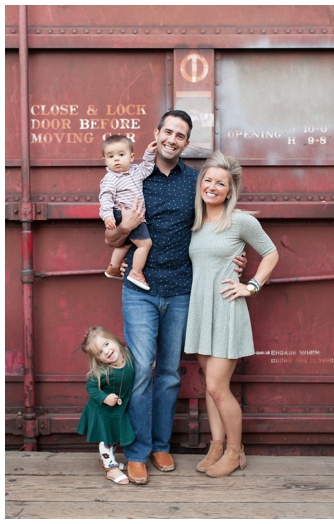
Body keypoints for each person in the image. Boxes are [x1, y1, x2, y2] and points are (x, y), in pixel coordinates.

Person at [105, 110, 246, 485]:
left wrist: (235, 256)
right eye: (167, 131)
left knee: (169, 374)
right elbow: (111, 239)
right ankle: (136, 453)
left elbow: (215, 223)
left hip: (183, 290)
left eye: (180, 135)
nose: (172, 139)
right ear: (157, 134)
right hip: (140, 290)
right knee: (140, 373)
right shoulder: (135, 177)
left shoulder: (194, 182)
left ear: (186, 143)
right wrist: (126, 227)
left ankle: (160, 445)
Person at [184, 151, 279, 477]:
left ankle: (236, 452)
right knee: (209, 386)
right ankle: (216, 444)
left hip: (226, 310)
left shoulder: (240, 220)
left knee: (216, 386)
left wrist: (250, 286)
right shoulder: (195, 222)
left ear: (229, 189)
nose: (212, 186)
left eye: (220, 183)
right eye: (208, 180)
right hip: (201, 311)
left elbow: (270, 253)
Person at [77, 326, 135, 485]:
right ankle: (111, 469)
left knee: (114, 437)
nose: (106, 351)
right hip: (102, 411)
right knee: (106, 440)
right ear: (98, 359)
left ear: (114, 339)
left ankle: (108, 461)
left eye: (106, 344)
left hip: (118, 409)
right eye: (100, 353)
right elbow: (90, 387)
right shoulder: (103, 372)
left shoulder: (128, 355)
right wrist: (104, 397)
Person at [99, 135, 158, 290]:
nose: (116, 160)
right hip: (124, 215)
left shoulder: (136, 172)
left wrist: (149, 153)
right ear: (105, 161)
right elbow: (105, 198)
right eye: (111, 157)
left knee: (125, 244)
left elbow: (147, 168)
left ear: (131, 157)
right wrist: (108, 216)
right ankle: (136, 272)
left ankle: (113, 267)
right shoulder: (110, 178)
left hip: (134, 215)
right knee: (145, 244)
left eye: (121, 155)